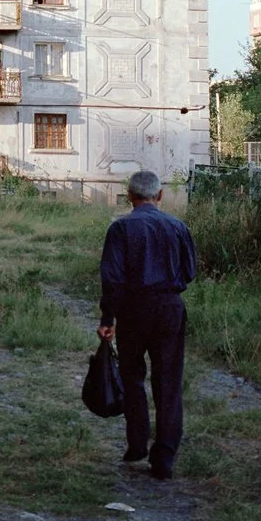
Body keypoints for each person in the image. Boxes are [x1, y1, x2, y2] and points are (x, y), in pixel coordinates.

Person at [97, 169, 197, 480]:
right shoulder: (178, 227)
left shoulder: (121, 229)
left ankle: (137, 443)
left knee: (132, 376)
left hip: (133, 309)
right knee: (168, 380)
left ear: (129, 195)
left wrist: (107, 319)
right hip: (169, 308)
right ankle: (164, 455)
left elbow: (112, 278)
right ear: (160, 195)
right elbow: (189, 272)